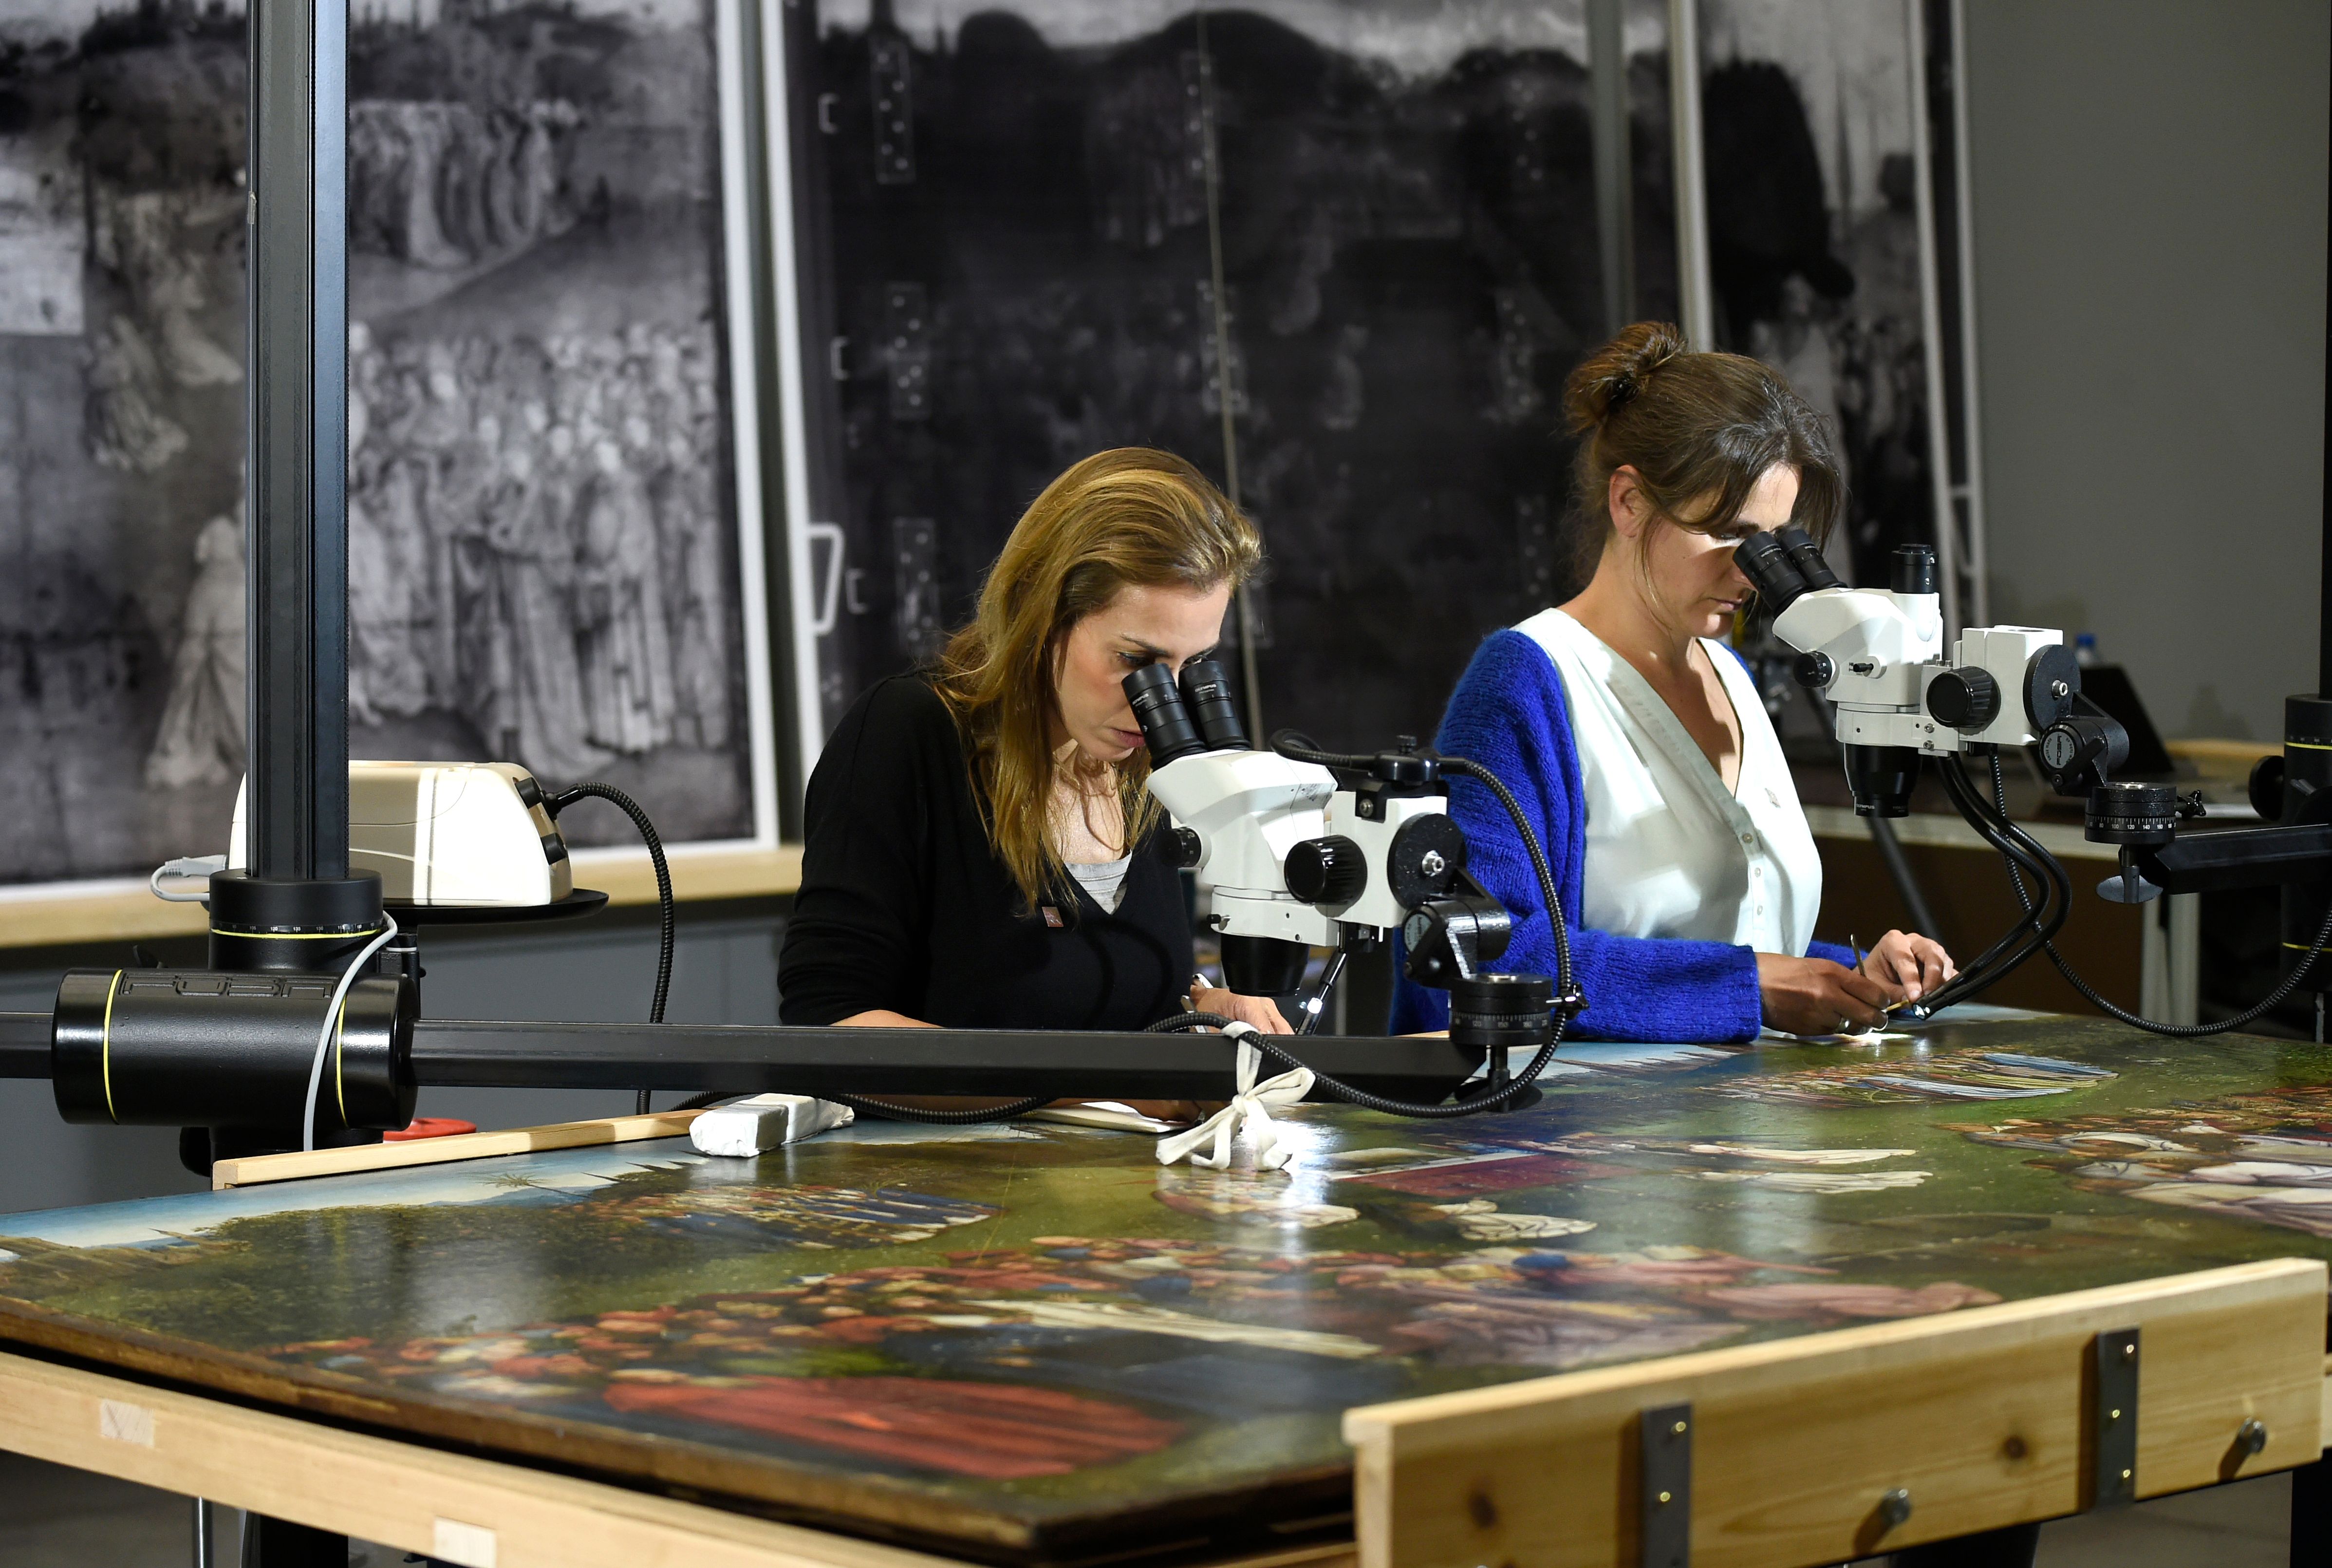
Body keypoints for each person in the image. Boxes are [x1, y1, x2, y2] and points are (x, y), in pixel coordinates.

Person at [1393, 322, 1954, 1042]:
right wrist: (1753, 986)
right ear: (1629, 504)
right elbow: (1476, 959)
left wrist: (1846, 975)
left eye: (1771, 545)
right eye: (1726, 533)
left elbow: (1723, 936)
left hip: (1749, 1132)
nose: (1749, 573)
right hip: (1590, 1142)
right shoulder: (1528, 681)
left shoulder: (1731, 676)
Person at [780, 448, 1290, 1036]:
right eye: (1135, 660)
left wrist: (1202, 1009)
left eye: (1192, 663)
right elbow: (830, 1019)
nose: (1160, 701)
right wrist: (1091, 1087)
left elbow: (1098, 1001)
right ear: (1042, 617)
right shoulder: (909, 733)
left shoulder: (1146, 769)